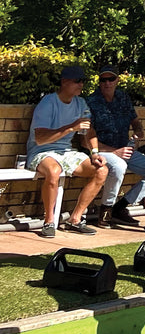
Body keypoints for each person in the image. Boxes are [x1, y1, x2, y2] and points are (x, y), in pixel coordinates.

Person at [27, 65, 108, 238]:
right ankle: (49, 221)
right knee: (54, 171)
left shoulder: (81, 103)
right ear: (64, 82)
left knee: (101, 171)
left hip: (66, 152)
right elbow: (40, 139)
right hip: (41, 151)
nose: (81, 85)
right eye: (77, 81)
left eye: (83, 81)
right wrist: (71, 127)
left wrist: (94, 152)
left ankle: (75, 219)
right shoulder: (48, 102)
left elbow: (89, 130)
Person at [86, 65, 145, 228]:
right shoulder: (91, 102)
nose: (107, 83)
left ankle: (120, 208)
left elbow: (135, 121)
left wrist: (139, 132)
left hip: (124, 149)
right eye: (103, 80)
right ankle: (105, 212)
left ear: (117, 80)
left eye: (111, 79)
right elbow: (86, 139)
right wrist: (114, 151)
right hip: (102, 151)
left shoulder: (123, 97)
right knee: (119, 166)